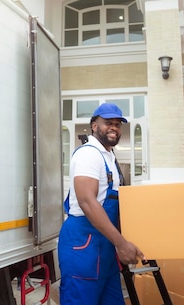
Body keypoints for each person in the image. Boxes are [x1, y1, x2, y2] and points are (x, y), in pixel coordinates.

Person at [58, 102, 145, 305]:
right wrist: (122, 244)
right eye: (108, 123)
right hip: (84, 246)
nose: (114, 127)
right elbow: (87, 202)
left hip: (105, 249)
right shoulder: (88, 154)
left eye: (118, 124)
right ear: (94, 125)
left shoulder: (109, 157)